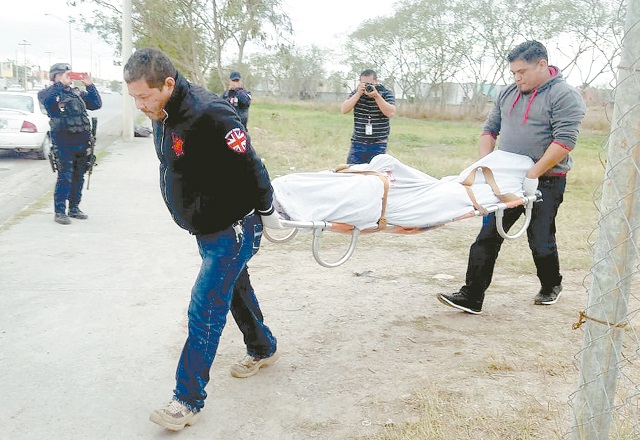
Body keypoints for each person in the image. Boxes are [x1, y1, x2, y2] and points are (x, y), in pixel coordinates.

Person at [124, 48, 283, 432]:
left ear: (168, 83)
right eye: (134, 98)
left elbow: (251, 162)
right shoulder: (163, 112)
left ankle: (187, 400)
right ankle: (263, 347)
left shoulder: (210, 113)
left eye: (144, 96)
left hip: (233, 227)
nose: (139, 105)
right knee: (235, 289)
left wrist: (268, 210)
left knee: (205, 306)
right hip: (207, 227)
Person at [436, 40, 586, 315]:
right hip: (507, 180)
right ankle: (471, 296)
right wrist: (487, 166)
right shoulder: (507, 93)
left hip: (547, 180)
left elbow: (565, 141)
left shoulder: (565, 95)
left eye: (522, 72)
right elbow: (489, 130)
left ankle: (551, 285)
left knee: (540, 237)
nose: (517, 78)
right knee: (488, 235)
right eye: (513, 72)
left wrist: (533, 173)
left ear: (542, 65)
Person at [38, 63, 102, 225]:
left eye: (68, 74)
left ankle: (74, 208)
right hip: (63, 143)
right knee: (65, 177)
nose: (67, 77)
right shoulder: (48, 93)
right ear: (55, 77)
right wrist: (61, 84)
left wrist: (89, 85)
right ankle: (60, 211)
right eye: (63, 74)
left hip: (82, 142)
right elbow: (47, 101)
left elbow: (96, 104)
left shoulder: (76, 93)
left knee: (79, 176)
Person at [340, 69, 396, 164]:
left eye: (369, 84)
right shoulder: (357, 93)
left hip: (378, 143)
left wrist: (377, 96)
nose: (367, 86)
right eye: (364, 83)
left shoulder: (386, 93)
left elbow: (390, 113)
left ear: (376, 81)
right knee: (353, 170)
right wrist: (358, 94)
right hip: (358, 142)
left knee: (374, 171)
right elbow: (344, 110)